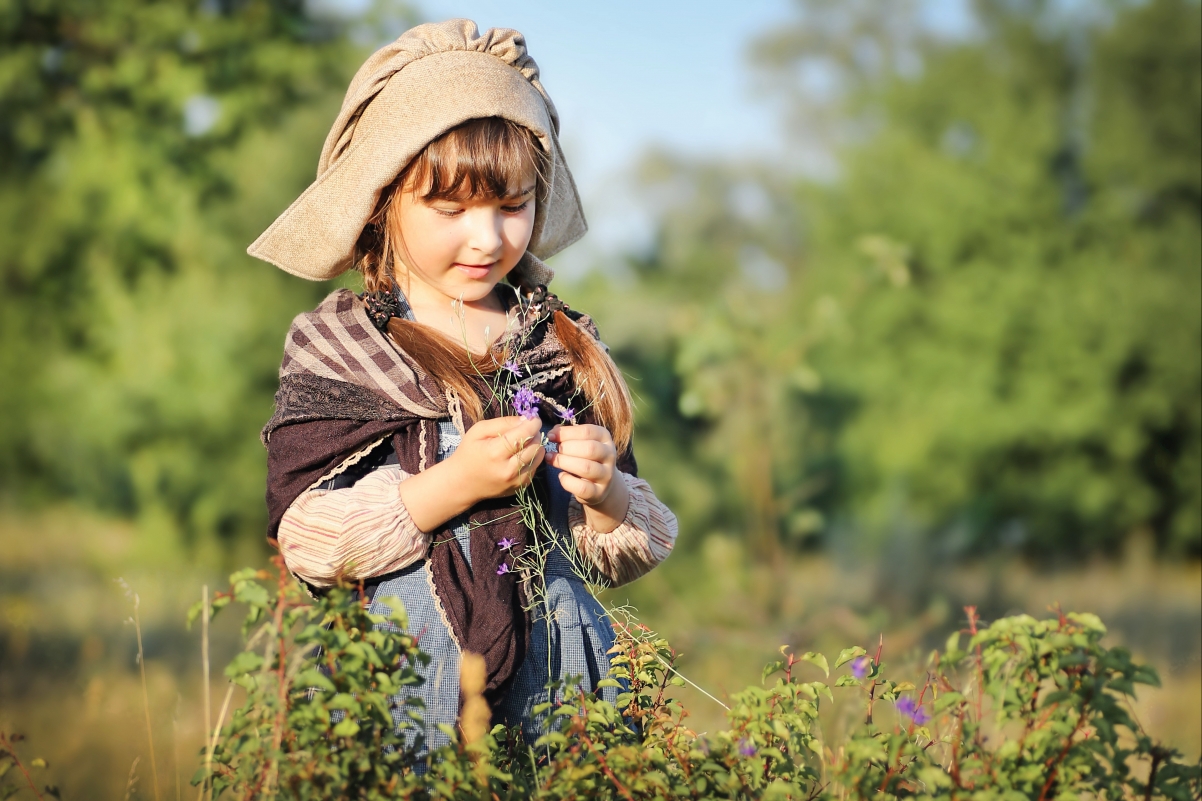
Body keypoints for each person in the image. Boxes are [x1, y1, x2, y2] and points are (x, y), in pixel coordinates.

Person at [249, 19, 678, 754]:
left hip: (562, 678)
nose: (487, 238)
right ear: (384, 201)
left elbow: (624, 553)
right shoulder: (342, 345)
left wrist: (605, 492)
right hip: (406, 675)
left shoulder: (557, 339)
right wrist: (451, 484)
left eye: (511, 205)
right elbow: (306, 538)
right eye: (450, 209)